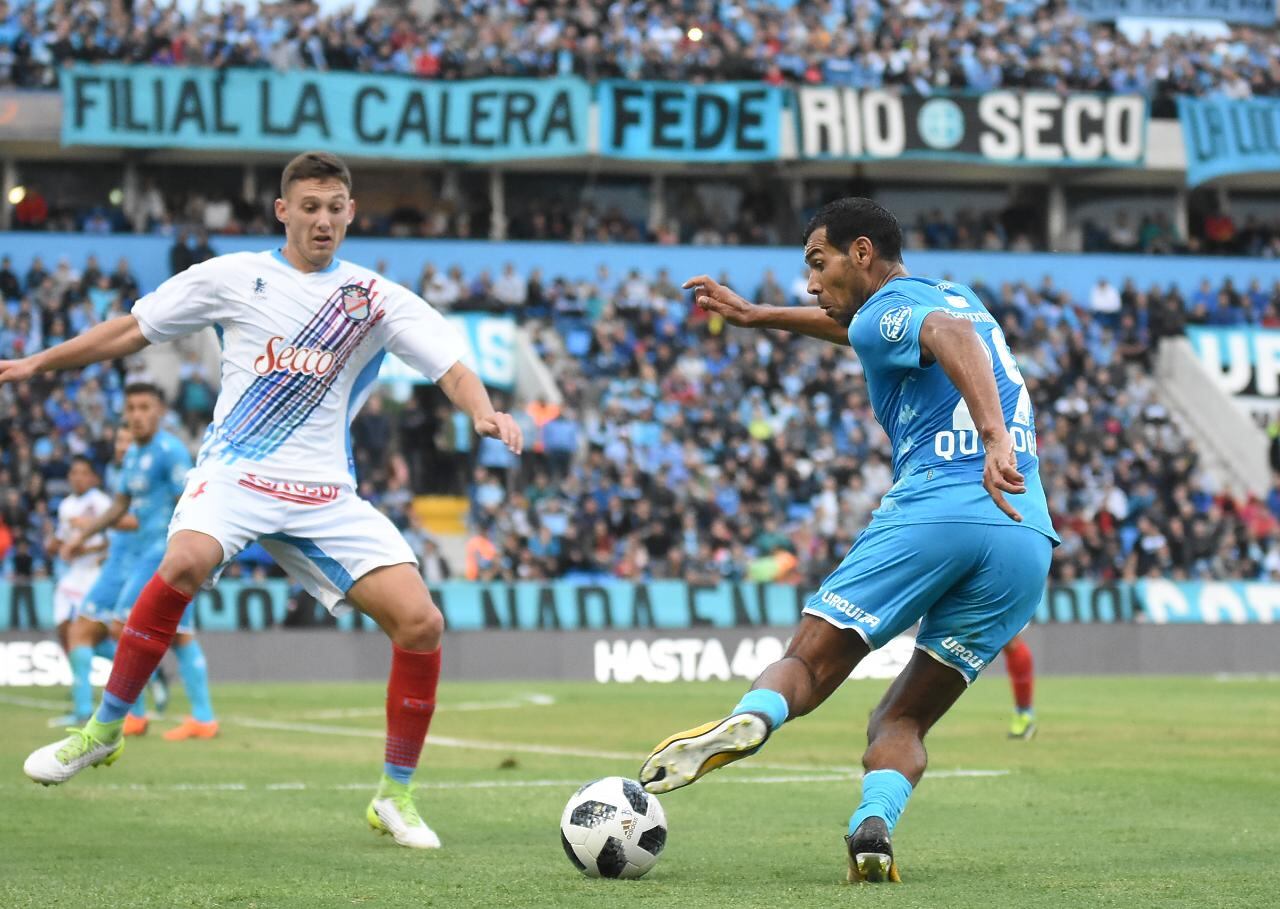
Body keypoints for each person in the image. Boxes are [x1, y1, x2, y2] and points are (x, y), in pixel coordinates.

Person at [9, 151, 523, 850]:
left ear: (350, 213)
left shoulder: (374, 298)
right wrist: (41, 361)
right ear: (283, 210)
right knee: (184, 559)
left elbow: (452, 365)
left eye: (335, 208)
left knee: (421, 622)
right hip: (237, 475)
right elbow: (135, 327)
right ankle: (102, 729)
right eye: (309, 207)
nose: (323, 220)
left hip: (324, 494)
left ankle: (395, 794)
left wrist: (483, 411)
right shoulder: (231, 277)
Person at [638, 198, 1058, 882]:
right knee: (900, 719)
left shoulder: (916, 310)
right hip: (1023, 533)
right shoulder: (955, 296)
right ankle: (874, 825)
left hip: (939, 507)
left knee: (807, 663)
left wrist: (990, 437)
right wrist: (757, 315)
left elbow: (943, 335)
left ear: (862, 252)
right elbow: (872, 328)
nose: (809, 283)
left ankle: (752, 716)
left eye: (817, 261)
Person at [68, 387, 212, 740]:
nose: (137, 415)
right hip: (144, 554)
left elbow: (188, 501)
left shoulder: (170, 451)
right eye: (131, 408)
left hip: (164, 552)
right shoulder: (133, 453)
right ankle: (201, 718)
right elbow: (119, 506)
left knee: (123, 626)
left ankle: (138, 713)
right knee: (179, 636)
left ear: (160, 411)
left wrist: (194, 551)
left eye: (145, 407)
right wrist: (83, 535)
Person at [47, 456, 112, 656]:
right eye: (74, 473)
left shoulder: (102, 503)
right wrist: (53, 544)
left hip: (96, 572)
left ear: (93, 477)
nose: (78, 478)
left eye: (84, 473)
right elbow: (62, 539)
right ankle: (78, 676)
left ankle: (145, 672)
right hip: (74, 573)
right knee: (63, 626)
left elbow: (113, 541)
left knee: (93, 632)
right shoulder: (66, 506)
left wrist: (87, 550)